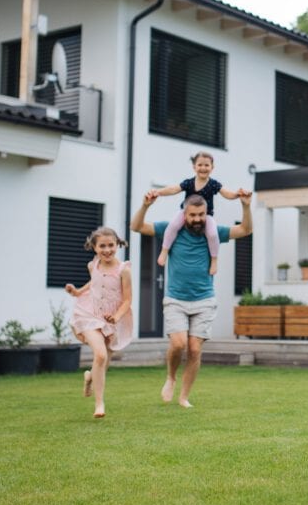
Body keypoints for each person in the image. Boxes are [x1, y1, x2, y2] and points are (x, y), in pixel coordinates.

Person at [131, 187, 253, 408]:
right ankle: (170, 377)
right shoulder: (171, 230)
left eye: (201, 215)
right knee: (178, 344)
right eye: (193, 215)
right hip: (176, 298)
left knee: (195, 349)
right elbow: (136, 227)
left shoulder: (212, 232)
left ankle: (184, 397)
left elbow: (245, 230)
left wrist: (245, 205)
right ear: (184, 214)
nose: (197, 219)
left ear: (206, 213)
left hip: (204, 299)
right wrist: (145, 206)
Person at [65, 227, 133, 419]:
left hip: (112, 318)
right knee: (100, 355)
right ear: (94, 247)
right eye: (102, 246)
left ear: (117, 245)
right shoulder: (92, 265)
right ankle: (99, 404)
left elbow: (127, 299)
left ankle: (89, 377)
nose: (107, 250)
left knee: (103, 363)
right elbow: (93, 283)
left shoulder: (124, 270)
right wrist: (78, 292)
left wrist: (117, 317)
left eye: (111, 245)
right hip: (89, 314)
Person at [154, 151, 242, 276]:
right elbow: (173, 189)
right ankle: (164, 251)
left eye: (207, 165)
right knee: (172, 226)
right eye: (200, 165)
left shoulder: (213, 184)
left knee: (212, 234)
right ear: (194, 167)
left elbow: (226, 193)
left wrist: (236, 195)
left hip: (206, 216)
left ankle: (214, 260)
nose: (203, 168)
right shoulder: (189, 183)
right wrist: (158, 192)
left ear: (212, 167)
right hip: (186, 213)